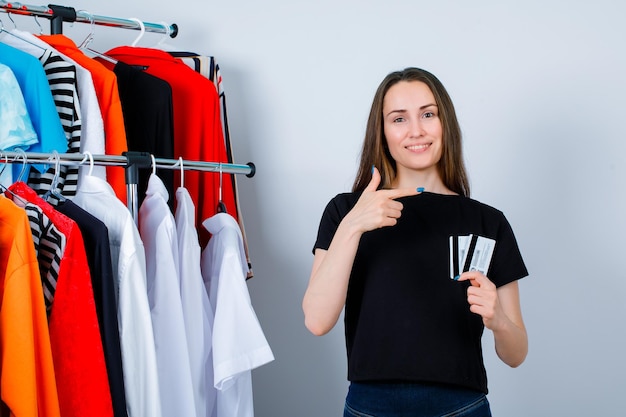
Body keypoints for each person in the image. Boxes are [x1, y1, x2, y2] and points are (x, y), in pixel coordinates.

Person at [302, 67, 529, 417]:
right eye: (398, 119)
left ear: (445, 123)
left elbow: (516, 354)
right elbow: (317, 321)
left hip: (460, 406)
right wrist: (353, 227)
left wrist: (498, 319)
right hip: (370, 406)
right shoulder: (346, 210)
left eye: (428, 114)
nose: (416, 131)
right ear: (382, 132)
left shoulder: (488, 221)